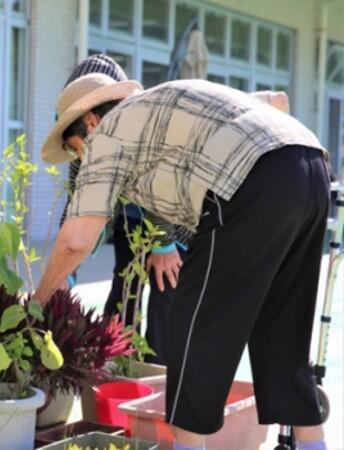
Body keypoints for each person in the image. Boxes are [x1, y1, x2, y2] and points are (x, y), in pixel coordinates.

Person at [34, 74, 329, 450]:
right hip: (310, 166)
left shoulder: (107, 135)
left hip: (248, 181)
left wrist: (39, 302)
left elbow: (76, 240)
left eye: (76, 149)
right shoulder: (161, 104)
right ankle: (312, 445)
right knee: (282, 326)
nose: (80, 158)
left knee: (196, 326)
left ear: (90, 122)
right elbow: (274, 104)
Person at [58, 54, 190, 365]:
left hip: (174, 220)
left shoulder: (143, 122)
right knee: (125, 289)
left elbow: (163, 180)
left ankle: (157, 379)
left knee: (165, 292)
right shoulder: (81, 145)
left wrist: (164, 242)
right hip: (130, 218)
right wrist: (67, 274)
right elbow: (76, 209)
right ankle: (117, 365)